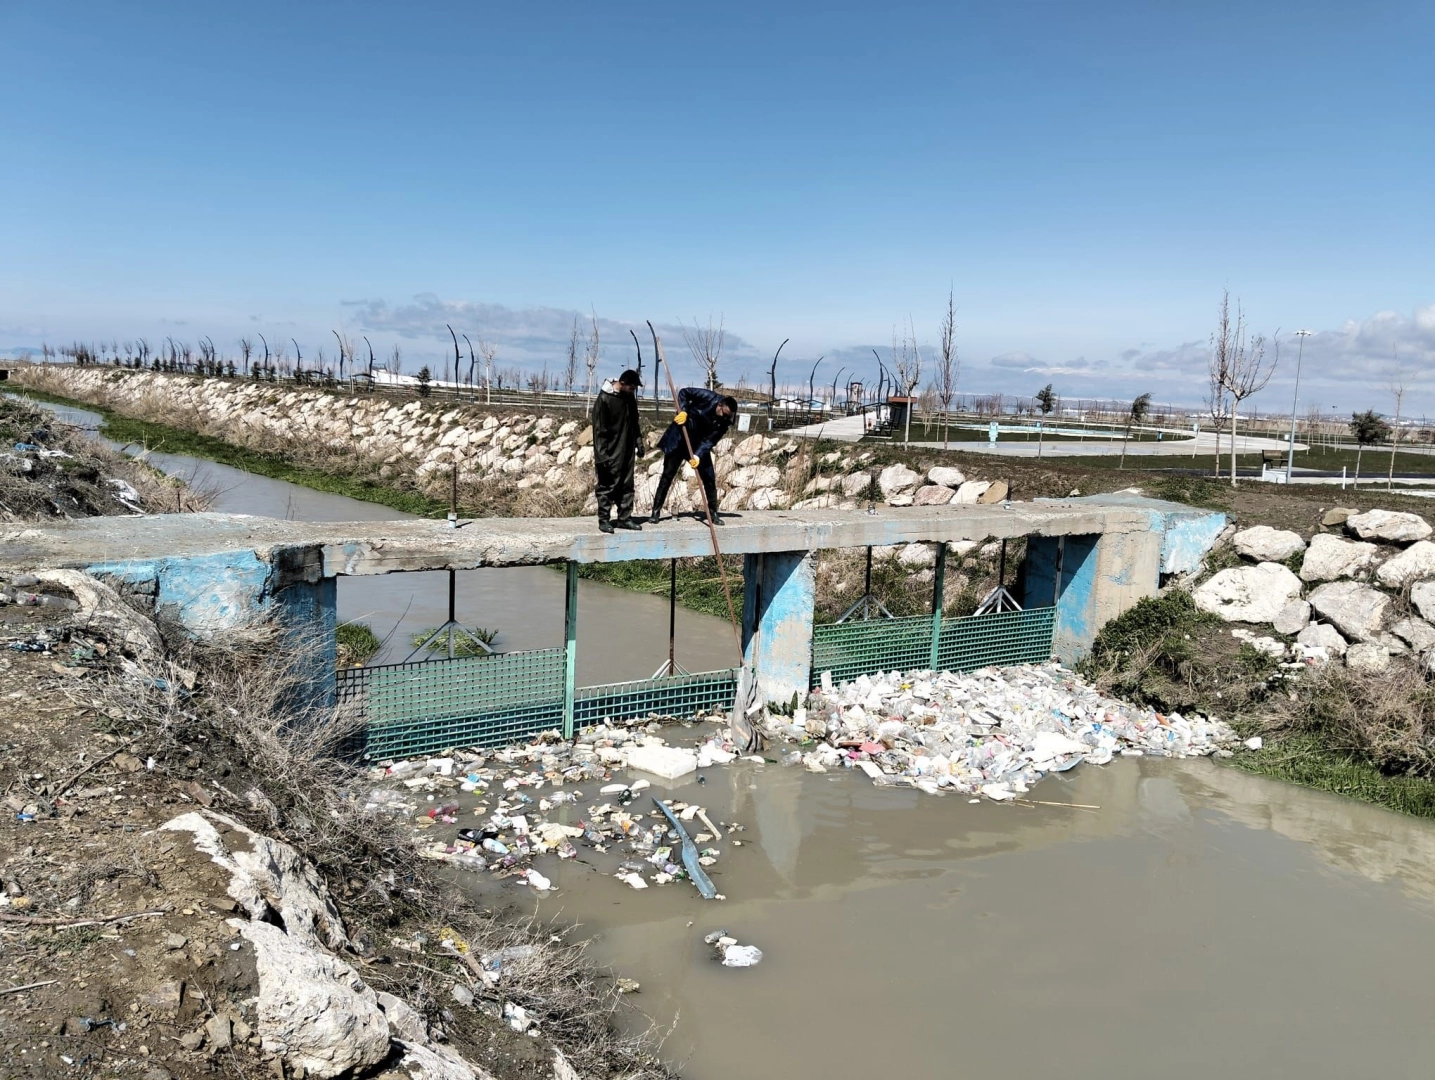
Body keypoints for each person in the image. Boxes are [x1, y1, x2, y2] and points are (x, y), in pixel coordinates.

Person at [649, 388, 738, 525]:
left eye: (728, 416)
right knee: (667, 475)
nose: (724, 418)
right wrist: (684, 411)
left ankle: (713, 513)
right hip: (680, 438)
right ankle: (655, 512)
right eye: (724, 414)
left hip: (698, 445)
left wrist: (697, 455)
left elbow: (710, 440)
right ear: (719, 405)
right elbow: (684, 392)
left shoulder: (725, 421)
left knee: (709, 478)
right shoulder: (708, 397)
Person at [591, 368, 643, 533]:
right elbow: (599, 430)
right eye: (631, 387)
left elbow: (634, 422)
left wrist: (639, 442)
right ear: (622, 383)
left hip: (627, 449)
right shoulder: (605, 399)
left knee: (627, 484)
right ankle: (604, 520)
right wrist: (601, 456)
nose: (633, 391)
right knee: (607, 484)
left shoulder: (629, 398)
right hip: (610, 450)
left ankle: (624, 519)